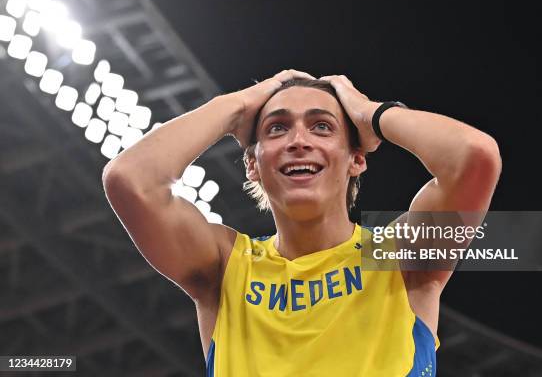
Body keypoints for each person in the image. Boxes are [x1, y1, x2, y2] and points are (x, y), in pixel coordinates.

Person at [102, 69, 502, 376]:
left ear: (356, 159)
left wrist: (369, 112)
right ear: (253, 165)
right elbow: (131, 180)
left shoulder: (401, 259)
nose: (299, 140)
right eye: (277, 128)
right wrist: (238, 106)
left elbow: (474, 157)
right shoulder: (224, 267)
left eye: (322, 126)